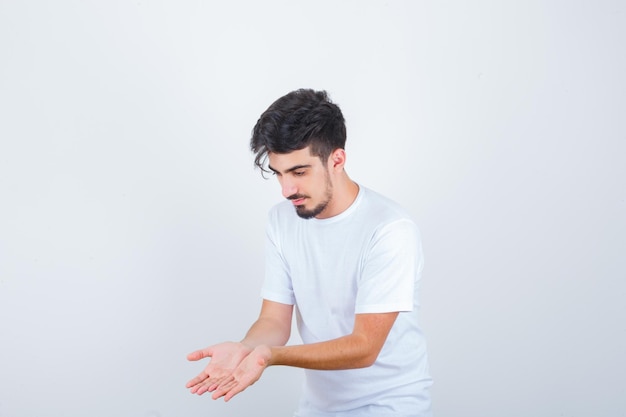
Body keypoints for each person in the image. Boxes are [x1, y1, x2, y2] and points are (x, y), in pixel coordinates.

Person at [186, 89, 433, 417]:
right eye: (279, 173)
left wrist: (270, 357)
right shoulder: (281, 220)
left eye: (299, 172)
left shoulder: (389, 229)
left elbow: (364, 348)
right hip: (319, 406)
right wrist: (245, 349)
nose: (287, 190)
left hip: (391, 404)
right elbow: (274, 320)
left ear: (337, 160)